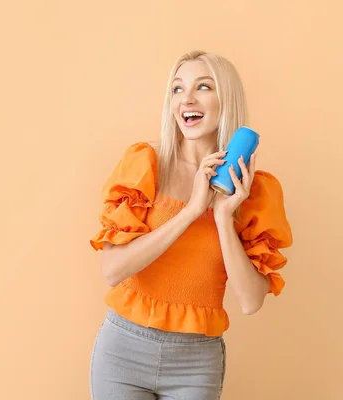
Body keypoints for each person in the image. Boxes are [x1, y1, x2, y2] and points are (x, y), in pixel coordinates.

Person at [88, 50, 293, 399]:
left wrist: (223, 217)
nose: (188, 99)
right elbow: (112, 270)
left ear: (225, 100)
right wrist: (191, 211)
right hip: (123, 352)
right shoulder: (146, 163)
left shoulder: (254, 191)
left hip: (196, 362)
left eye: (203, 87)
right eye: (178, 89)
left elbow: (250, 301)